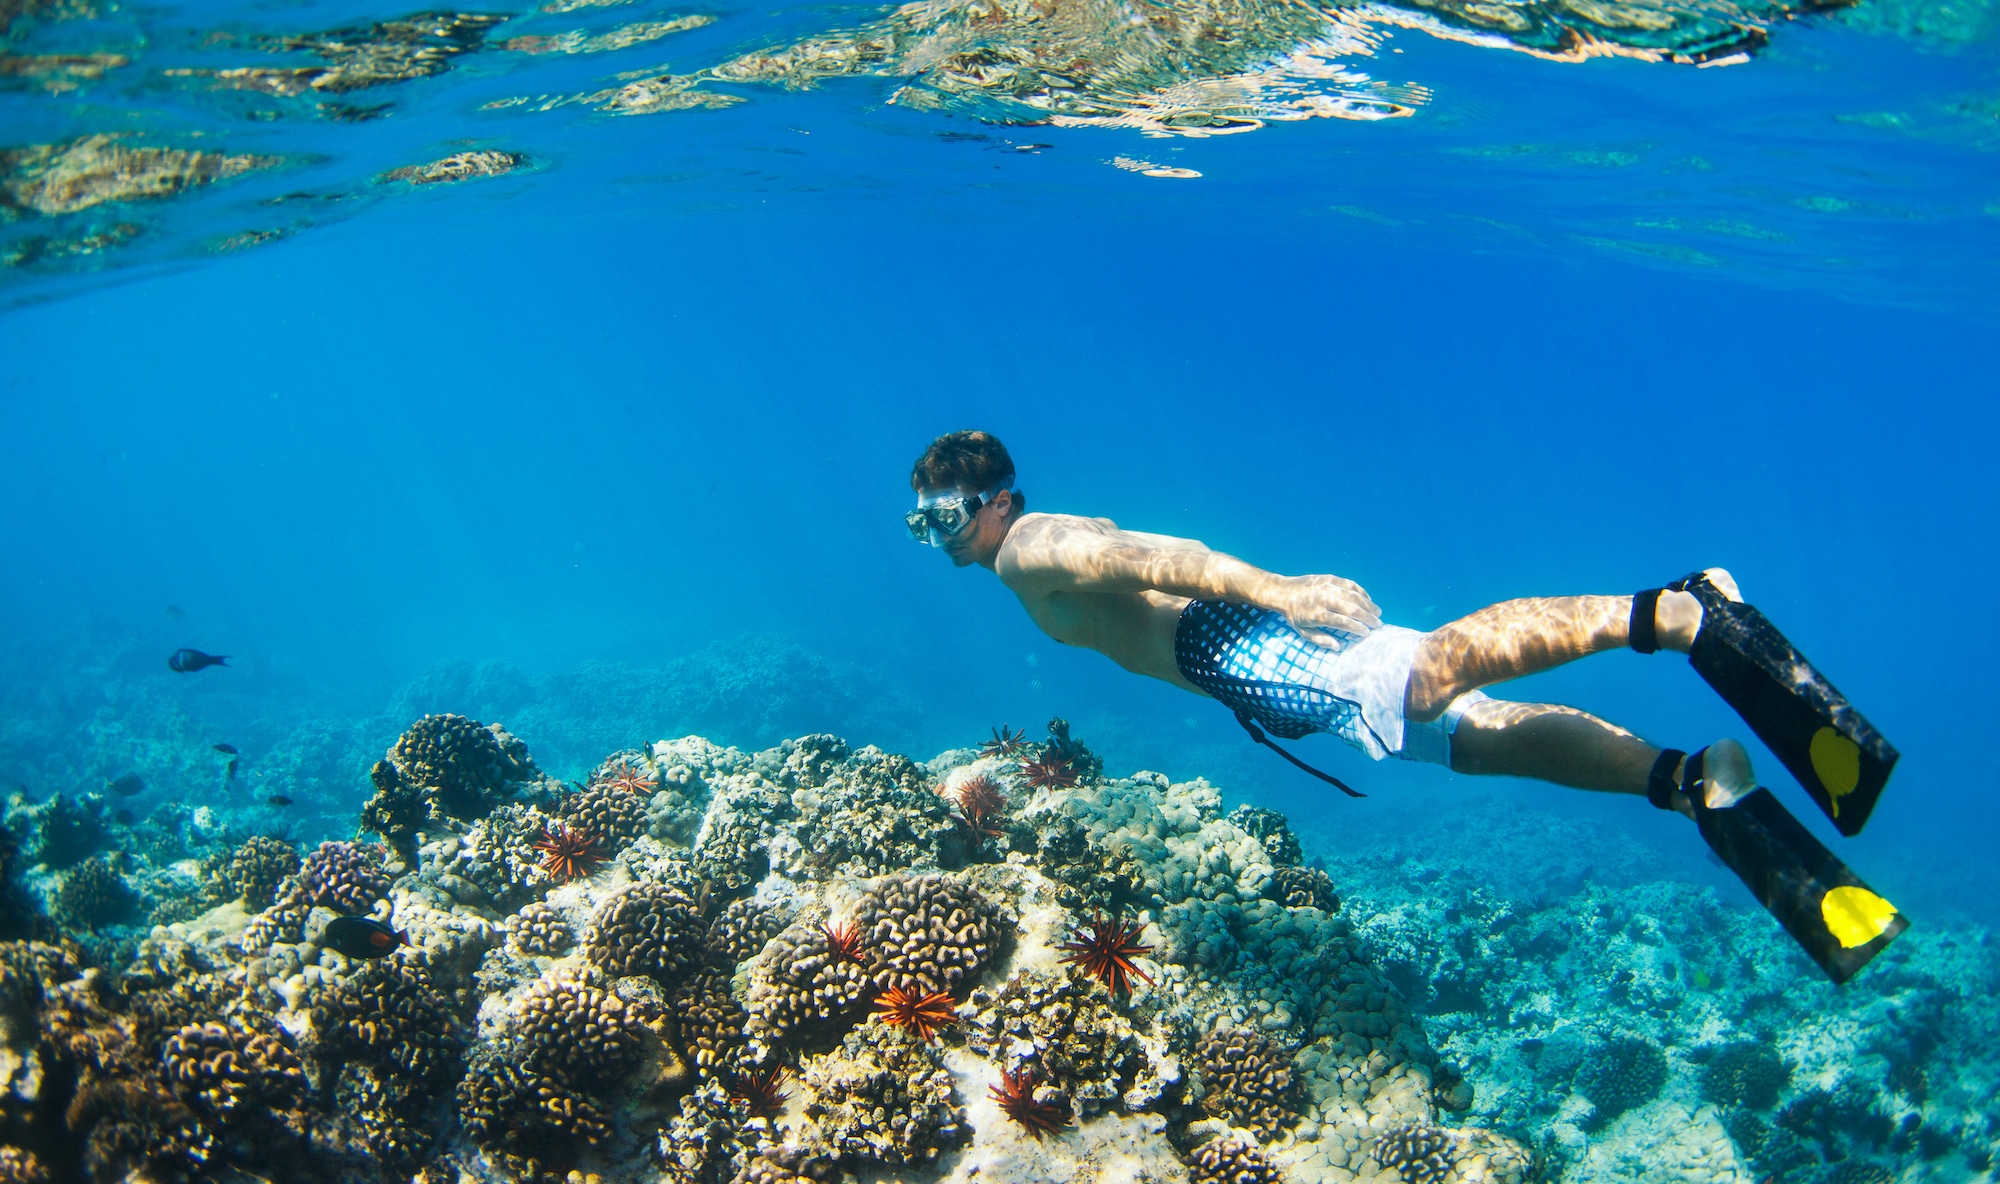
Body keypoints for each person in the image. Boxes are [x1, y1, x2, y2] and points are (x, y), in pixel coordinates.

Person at [903, 429, 1753, 816]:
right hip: (1243, 665)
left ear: (1000, 500)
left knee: (1429, 679)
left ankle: (1675, 612)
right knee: (1475, 738)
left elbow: (1156, 558)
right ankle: (1676, 779)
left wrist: (1278, 591)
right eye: (922, 524)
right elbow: (1147, 559)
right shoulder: (1043, 541)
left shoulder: (1027, 545)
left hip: (1235, 645)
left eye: (947, 516)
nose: (939, 537)